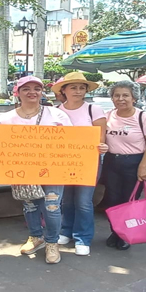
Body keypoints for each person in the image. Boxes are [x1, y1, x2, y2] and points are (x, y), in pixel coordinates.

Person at [0, 76, 72, 264]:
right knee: (30, 205)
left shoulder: (57, 115)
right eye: (26, 89)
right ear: (17, 93)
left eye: (37, 88)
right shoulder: (6, 118)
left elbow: (72, 140)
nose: (32, 92)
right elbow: (1, 142)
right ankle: (35, 236)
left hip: (54, 168)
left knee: (52, 205)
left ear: (42, 92)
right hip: (23, 168)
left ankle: (52, 242)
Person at [51, 72, 108, 256]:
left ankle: (83, 238)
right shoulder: (55, 111)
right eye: (73, 87)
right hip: (62, 162)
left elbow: (100, 138)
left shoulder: (94, 110)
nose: (78, 91)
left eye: (82, 88)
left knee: (83, 201)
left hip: (87, 162)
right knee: (66, 199)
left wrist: (102, 146)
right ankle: (66, 230)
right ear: (64, 90)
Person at [102, 80, 146, 250]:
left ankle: (125, 235)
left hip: (134, 162)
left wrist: (143, 167)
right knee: (112, 200)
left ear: (134, 98)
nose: (121, 99)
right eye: (117, 95)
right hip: (111, 162)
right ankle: (115, 231)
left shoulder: (144, 117)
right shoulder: (107, 116)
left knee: (129, 200)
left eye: (125, 95)